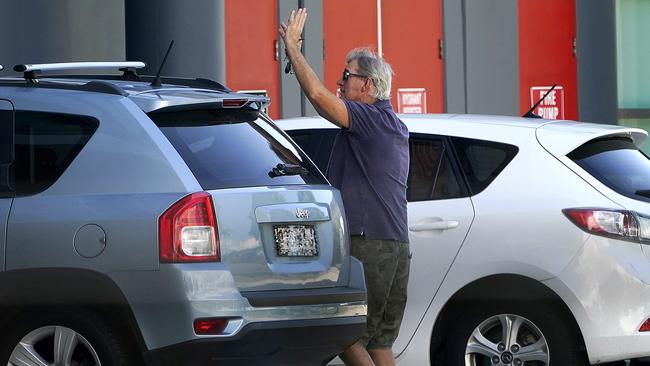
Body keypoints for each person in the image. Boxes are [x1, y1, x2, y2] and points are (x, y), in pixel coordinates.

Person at [279, 8, 410, 366]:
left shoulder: (369, 119)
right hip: (396, 247)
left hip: (368, 245)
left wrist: (292, 48)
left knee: (344, 333)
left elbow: (320, 99)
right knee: (379, 342)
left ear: (367, 85)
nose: (340, 83)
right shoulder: (392, 124)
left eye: (346, 76)